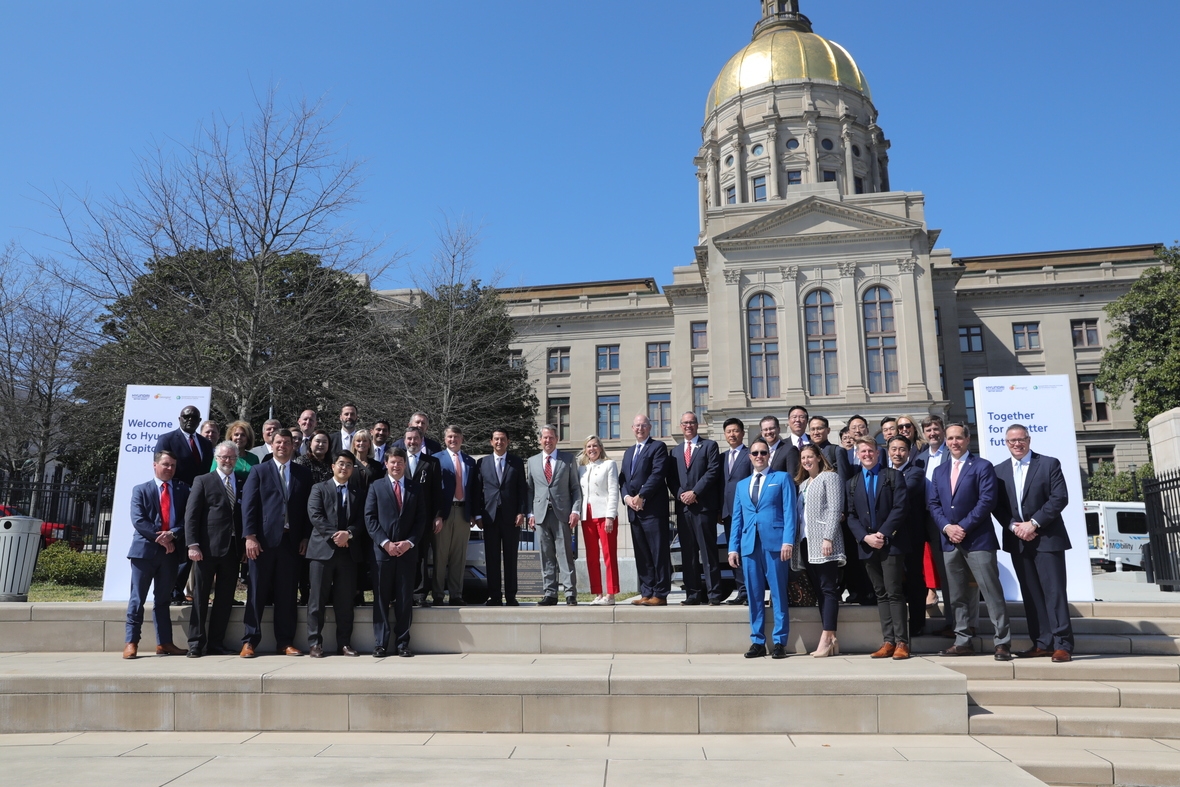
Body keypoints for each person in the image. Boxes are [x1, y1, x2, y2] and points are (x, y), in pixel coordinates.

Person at [928, 423, 1011, 660]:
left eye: (958, 438)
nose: (954, 442)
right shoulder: (940, 471)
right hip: (949, 542)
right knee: (956, 595)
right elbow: (933, 504)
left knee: (991, 591)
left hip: (978, 540)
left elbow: (987, 501)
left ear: (967, 439)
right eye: (950, 438)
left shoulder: (983, 466)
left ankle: (1002, 642)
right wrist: (946, 527)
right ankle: (963, 640)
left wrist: (962, 527)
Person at [992, 424, 1074, 663]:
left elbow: (1059, 498)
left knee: (1054, 592)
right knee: (1031, 594)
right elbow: (997, 506)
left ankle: (1063, 644)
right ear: (1006, 444)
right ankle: (1041, 643)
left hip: (1047, 539)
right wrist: (1014, 526)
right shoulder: (999, 471)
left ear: (1028, 439)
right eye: (1012, 441)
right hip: (1018, 540)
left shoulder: (1049, 464)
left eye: (1021, 439)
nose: (1017, 444)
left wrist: (1034, 523)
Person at [240, 429, 312, 658]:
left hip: (291, 543)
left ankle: (285, 642)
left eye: (287, 443)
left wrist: (305, 537)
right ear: (271, 445)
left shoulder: (304, 474)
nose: (282, 446)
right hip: (262, 543)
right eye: (278, 442)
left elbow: (308, 510)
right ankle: (250, 641)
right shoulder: (259, 471)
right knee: (256, 593)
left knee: (286, 595)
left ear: (293, 446)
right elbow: (248, 506)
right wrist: (250, 537)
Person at [728, 438, 795, 659]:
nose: (759, 456)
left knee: (777, 593)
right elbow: (737, 518)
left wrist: (788, 541)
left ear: (769, 455)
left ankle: (779, 641)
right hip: (749, 546)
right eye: (755, 453)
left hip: (775, 544)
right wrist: (733, 548)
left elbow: (789, 512)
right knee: (754, 595)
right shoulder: (741, 485)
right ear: (750, 456)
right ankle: (757, 641)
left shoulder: (782, 478)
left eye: (763, 453)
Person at [846, 439, 911, 660]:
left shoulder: (893, 476)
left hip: (890, 543)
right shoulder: (852, 482)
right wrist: (865, 537)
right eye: (862, 451)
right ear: (857, 454)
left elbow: (900, 508)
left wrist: (882, 534)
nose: (866, 454)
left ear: (877, 453)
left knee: (894, 592)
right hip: (868, 546)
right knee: (880, 593)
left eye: (870, 451)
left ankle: (902, 642)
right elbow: (851, 515)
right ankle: (888, 641)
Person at [123, 450, 189, 659]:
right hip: (144, 553)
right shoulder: (140, 490)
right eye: (165, 464)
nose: (169, 469)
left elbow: (187, 519)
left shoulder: (182, 490)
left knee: (163, 600)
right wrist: (160, 538)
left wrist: (172, 535)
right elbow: (139, 519)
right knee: (137, 599)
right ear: (155, 465)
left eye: (172, 466)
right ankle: (132, 642)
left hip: (170, 555)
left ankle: (164, 643)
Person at [366, 447, 428, 657]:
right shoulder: (376, 486)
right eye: (392, 462)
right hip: (382, 553)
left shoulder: (415, 488)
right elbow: (370, 518)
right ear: (386, 464)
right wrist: (385, 543)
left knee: (404, 599)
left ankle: (402, 643)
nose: (396, 465)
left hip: (407, 553)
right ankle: (381, 643)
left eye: (400, 462)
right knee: (381, 599)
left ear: (404, 464)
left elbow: (421, 520)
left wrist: (408, 543)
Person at [183, 441, 242, 657]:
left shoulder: (242, 481)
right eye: (224, 457)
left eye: (232, 458)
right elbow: (191, 515)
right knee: (200, 597)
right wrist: (193, 544)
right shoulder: (203, 481)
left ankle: (217, 643)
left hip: (232, 550)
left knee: (225, 599)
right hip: (205, 550)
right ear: (216, 458)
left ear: (237, 459)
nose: (228, 461)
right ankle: (196, 643)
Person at [305, 450, 365, 657]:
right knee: (317, 601)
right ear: (333, 466)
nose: (344, 468)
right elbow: (315, 515)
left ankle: (344, 644)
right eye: (341, 463)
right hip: (322, 553)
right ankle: (314, 643)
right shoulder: (318, 489)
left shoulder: (358, 492)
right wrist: (335, 536)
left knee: (345, 601)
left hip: (348, 554)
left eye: (349, 465)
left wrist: (348, 534)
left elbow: (361, 521)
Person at [153, 405, 214, 604]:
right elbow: (163, 469)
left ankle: (178, 590)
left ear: (199, 420)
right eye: (186, 417)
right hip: (176, 499)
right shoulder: (167, 439)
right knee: (175, 546)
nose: (189, 420)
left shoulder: (205, 444)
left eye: (194, 417)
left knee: (191, 545)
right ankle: (169, 591)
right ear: (179, 418)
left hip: (199, 501)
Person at [791, 444, 844, 657]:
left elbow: (835, 509)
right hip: (806, 543)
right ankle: (830, 638)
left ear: (819, 458)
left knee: (828, 588)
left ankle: (828, 636)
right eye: (803, 457)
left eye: (810, 456)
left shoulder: (829, 477)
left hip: (824, 541)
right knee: (819, 591)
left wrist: (828, 537)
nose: (806, 461)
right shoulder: (803, 484)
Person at [669, 411, 723, 605]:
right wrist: (681, 494)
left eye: (691, 422)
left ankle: (714, 594)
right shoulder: (674, 452)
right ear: (681, 426)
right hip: (684, 510)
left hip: (703, 508)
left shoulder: (709, 446)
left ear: (697, 425)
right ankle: (692, 594)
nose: (688, 426)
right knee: (688, 554)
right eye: (684, 423)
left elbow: (713, 471)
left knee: (708, 552)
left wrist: (695, 492)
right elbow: (671, 479)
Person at [527, 425, 582, 605]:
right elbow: (530, 491)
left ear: (556, 439)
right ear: (540, 440)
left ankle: (569, 593)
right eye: (545, 438)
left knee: (565, 554)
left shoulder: (567, 460)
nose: (548, 441)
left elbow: (575, 488)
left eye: (551, 437)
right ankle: (549, 593)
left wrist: (575, 510)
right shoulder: (533, 461)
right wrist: (530, 513)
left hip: (562, 514)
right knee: (546, 555)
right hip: (541, 515)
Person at [620, 414, 671, 606]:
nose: (640, 428)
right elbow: (623, 479)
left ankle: (660, 593)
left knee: (658, 553)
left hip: (653, 510)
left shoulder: (657, 447)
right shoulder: (628, 452)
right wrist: (627, 498)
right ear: (632, 428)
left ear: (650, 428)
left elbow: (658, 474)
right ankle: (646, 591)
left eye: (644, 425)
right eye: (637, 426)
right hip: (634, 511)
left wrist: (642, 496)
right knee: (642, 554)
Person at [919, 415, 962, 633]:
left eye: (936, 429)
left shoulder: (951, 454)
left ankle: (956, 623)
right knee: (939, 570)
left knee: (951, 571)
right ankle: (950, 622)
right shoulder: (920, 458)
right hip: (928, 520)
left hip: (950, 520)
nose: (932, 433)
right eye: (928, 430)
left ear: (942, 431)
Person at [477, 427, 528, 606]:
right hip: (490, 518)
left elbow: (522, 489)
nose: (499, 442)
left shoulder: (516, 462)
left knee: (510, 557)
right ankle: (495, 596)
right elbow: (478, 492)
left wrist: (522, 512)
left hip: (511, 517)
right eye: (496, 439)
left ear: (508, 441)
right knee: (491, 558)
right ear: (491, 441)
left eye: (503, 439)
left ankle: (511, 596)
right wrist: (478, 515)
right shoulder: (482, 463)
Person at [887, 435, 932, 637]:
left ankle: (917, 623)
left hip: (912, 534)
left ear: (909, 452)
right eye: (894, 449)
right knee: (894, 582)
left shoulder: (916, 472)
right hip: (890, 535)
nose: (898, 453)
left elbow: (906, 491)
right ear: (888, 451)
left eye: (902, 449)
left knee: (914, 578)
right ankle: (897, 627)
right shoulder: (883, 472)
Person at [434, 425, 480, 605]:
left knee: (458, 556)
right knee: (440, 555)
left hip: (463, 512)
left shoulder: (470, 461)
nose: (453, 440)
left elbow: (475, 490)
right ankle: (438, 595)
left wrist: (474, 514)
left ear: (462, 439)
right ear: (445, 439)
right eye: (450, 437)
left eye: (456, 437)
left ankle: (456, 594)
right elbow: (434, 490)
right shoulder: (436, 459)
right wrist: (436, 515)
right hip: (444, 514)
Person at [403, 426, 444, 606]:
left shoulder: (431, 462)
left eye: (415, 439)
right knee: (402, 555)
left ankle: (419, 594)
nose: (412, 442)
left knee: (421, 557)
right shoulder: (397, 459)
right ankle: (402, 592)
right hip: (401, 518)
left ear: (421, 440)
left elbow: (437, 493)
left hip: (424, 518)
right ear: (405, 440)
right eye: (409, 439)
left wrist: (438, 516)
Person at [578, 435, 620, 605]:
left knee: (609, 554)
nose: (592, 449)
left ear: (601, 448)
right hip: (587, 515)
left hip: (604, 515)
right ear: (585, 450)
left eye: (595, 445)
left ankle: (611, 594)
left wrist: (610, 515)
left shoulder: (609, 465)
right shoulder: (582, 468)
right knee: (591, 556)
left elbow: (613, 491)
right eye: (588, 446)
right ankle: (598, 592)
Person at [720, 417, 753, 605]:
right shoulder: (721, 457)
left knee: (747, 552)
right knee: (733, 553)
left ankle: (750, 591)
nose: (732, 434)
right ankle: (741, 591)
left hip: (746, 513)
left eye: (735, 431)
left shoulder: (750, 455)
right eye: (728, 431)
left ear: (742, 433)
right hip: (727, 513)